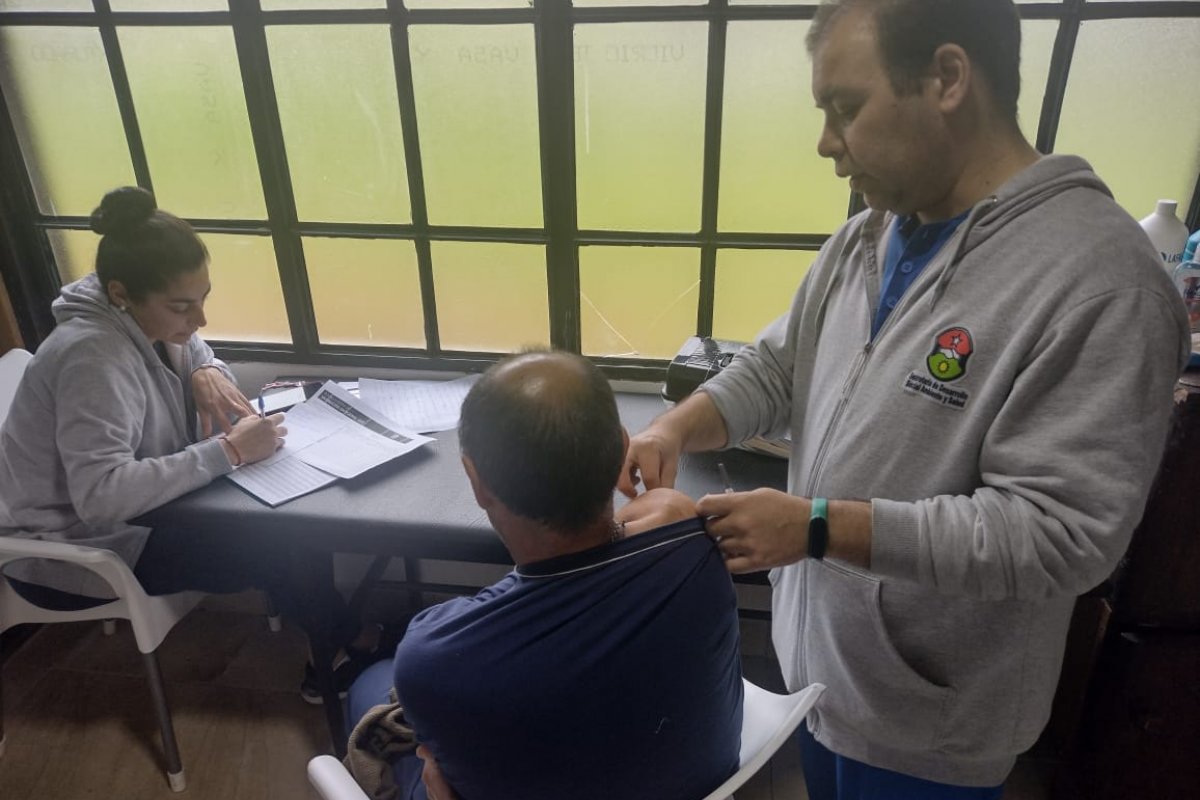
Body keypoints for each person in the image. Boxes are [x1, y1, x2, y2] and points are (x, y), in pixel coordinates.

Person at [617, 1, 1190, 797]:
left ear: (948, 78)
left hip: (930, 724)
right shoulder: (868, 236)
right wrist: (677, 427)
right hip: (821, 678)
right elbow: (779, 368)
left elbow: (1060, 536)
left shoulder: (1102, 283)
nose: (826, 142)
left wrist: (816, 527)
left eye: (845, 107)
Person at [346, 350, 744, 800]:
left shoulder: (429, 658)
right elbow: (661, 507)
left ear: (476, 481)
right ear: (621, 449)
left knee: (368, 685)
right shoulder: (694, 541)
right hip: (698, 784)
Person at [0, 185, 285, 605]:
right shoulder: (91, 359)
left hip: (149, 513)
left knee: (287, 532)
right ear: (119, 293)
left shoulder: (149, 319)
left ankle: (345, 638)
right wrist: (229, 451)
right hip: (76, 547)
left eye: (203, 298)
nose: (200, 318)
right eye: (181, 307)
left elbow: (200, 353)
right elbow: (100, 497)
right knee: (282, 544)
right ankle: (342, 642)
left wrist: (206, 369)